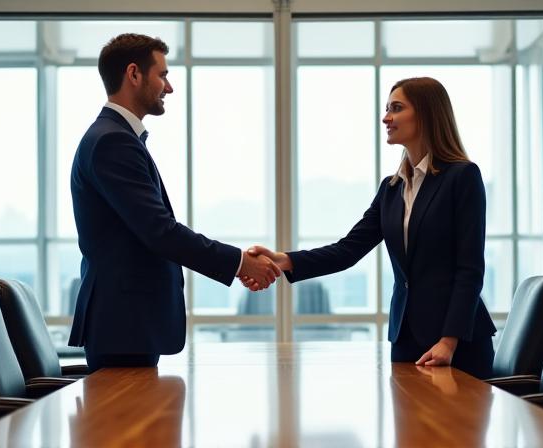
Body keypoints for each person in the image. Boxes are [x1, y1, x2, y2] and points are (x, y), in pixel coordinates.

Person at [246, 77, 497, 379]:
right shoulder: (391, 189)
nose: (386, 117)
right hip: (405, 340)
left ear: (427, 114)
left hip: (457, 344)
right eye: (387, 108)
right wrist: (284, 259)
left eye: (396, 108)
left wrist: (448, 341)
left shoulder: (462, 177)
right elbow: (347, 250)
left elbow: (469, 269)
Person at [68, 33, 281, 371]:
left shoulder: (115, 138)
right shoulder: (113, 142)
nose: (169, 87)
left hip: (127, 326)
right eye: (163, 75)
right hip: (123, 327)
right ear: (134, 74)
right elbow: (160, 232)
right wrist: (240, 263)